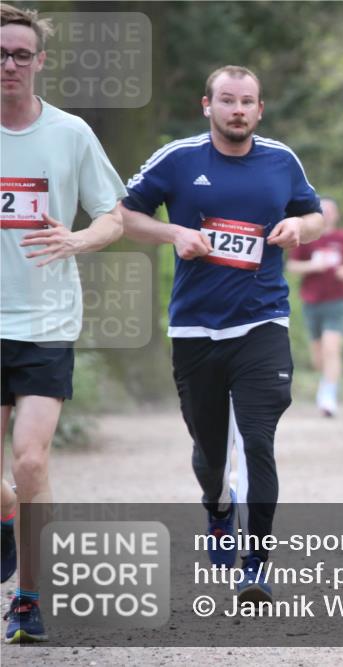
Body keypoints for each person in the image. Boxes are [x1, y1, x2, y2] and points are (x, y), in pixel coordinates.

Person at [119, 65, 323, 604]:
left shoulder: (282, 160)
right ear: (205, 105)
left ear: (260, 109)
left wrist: (302, 227)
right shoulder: (178, 159)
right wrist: (174, 232)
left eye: (247, 101)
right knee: (210, 454)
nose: (237, 110)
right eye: (227, 100)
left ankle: (255, 564)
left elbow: (315, 213)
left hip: (262, 323)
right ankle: (217, 507)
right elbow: (123, 216)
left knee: (258, 440)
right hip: (194, 328)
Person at [0, 3, 125, 642]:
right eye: (1, 54)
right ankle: (5, 520)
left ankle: (29, 597)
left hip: (46, 321)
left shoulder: (70, 133)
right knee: (4, 485)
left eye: (22, 54)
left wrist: (78, 240)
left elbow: (113, 213)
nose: (10, 64)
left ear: (40, 62)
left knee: (29, 461)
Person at [286, 197, 343, 416]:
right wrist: (312, 265)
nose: (327, 214)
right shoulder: (307, 238)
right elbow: (291, 265)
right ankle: (326, 383)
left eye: (331, 210)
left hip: (336, 300)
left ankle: (328, 396)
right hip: (312, 301)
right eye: (323, 210)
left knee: (332, 348)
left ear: (337, 215)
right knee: (318, 357)